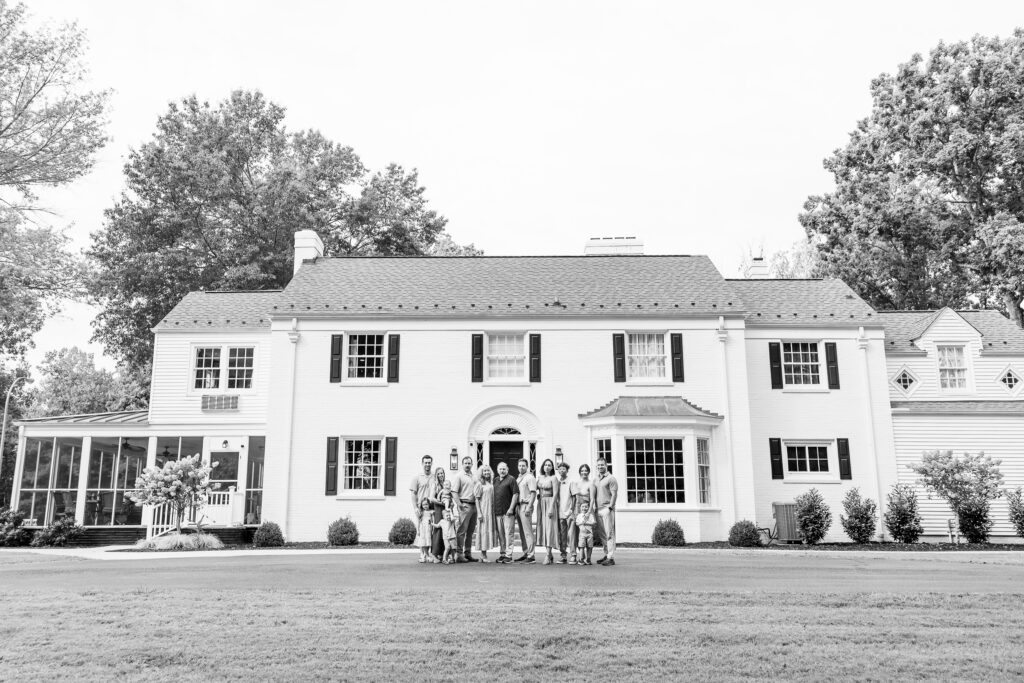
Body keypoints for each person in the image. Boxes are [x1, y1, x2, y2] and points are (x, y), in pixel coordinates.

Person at [450, 456, 479, 563]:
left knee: (470, 532)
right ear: (462, 464)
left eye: (469, 463)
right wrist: (459, 505)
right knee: (462, 531)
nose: (467, 465)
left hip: (474, 506)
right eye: (465, 463)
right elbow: (454, 492)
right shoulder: (459, 476)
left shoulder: (474, 476)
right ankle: (459, 554)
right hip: (465, 506)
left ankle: (468, 553)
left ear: (472, 464)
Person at [491, 461, 519, 564]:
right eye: (500, 469)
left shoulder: (511, 479)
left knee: (509, 534)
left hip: (508, 512)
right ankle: (503, 554)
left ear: (507, 470)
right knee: (501, 534)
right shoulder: (495, 480)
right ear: (497, 470)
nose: (502, 471)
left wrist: (511, 508)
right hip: (498, 512)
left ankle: (508, 555)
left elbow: (515, 494)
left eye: (504, 469)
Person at [535, 458, 560, 564]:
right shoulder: (539, 478)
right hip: (541, 503)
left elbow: (555, 494)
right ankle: (549, 554)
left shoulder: (554, 478)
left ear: (552, 467)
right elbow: (535, 489)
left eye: (549, 465)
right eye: (545, 465)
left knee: (550, 528)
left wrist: (551, 507)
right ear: (542, 466)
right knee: (544, 528)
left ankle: (548, 555)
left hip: (550, 503)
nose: (547, 467)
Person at [595, 456, 618, 566]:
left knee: (609, 534)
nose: (600, 467)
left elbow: (614, 494)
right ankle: (606, 554)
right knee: (603, 535)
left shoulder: (611, 478)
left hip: (607, 509)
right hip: (598, 509)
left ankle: (611, 557)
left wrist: (610, 508)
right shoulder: (597, 479)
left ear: (606, 465)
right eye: (598, 465)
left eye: (602, 465)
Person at [574, 463, 597, 565]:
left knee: (588, 535)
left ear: (588, 472)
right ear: (580, 472)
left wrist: (588, 512)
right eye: (582, 471)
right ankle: (580, 557)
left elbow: (592, 499)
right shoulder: (576, 484)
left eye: (586, 470)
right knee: (579, 535)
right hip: (578, 510)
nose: (584, 472)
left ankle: (588, 558)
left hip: (587, 509)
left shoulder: (591, 484)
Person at [515, 458, 537, 563]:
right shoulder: (519, 478)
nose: (521, 467)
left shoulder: (530, 477)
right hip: (518, 506)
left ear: (527, 466)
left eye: (523, 465)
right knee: (522, 532)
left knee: (528, 531)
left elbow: (533, 493)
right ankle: (525, 552)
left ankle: (531, 555)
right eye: (519, 465)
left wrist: (529, 507)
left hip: (525, 505)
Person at [474, 464, 496, 562]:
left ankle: (484, 555)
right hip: (483, 509)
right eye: (484, 471)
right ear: (481, 473)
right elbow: (477, 499)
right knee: (483, 531)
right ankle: (483, 555)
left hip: (491, 510)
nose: (486, 472)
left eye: (488, 471)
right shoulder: (479, 484)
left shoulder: (491, 482)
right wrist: (479, 513)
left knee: (487, 530)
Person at [555, 460, 576, 564]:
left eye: (564, 468)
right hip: (560, 513)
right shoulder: (557, 482)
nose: (562, 470)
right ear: (558, 470)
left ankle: (573, 555)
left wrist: (573, 511)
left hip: (569, 512)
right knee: (562, 536)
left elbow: (574, 497)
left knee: (571, 535)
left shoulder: (571, 481)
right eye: (560, 468)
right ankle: (563, 556)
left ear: (567, 470)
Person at [426, 467, 448, 562]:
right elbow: (431, 498)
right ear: (436, 475)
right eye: (438, 473)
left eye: (442, 473)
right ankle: (434, 554)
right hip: (439, 509)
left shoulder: (446, 484)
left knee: (446, 530)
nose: (440, 475)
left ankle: (442, 553)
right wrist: (441, 503)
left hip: (446, 509)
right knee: (438, 529)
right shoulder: (435, 485)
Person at [575, 500, 596, 565]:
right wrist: (581, 523)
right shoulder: (579, 516)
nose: (584, 508)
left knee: (590, 546)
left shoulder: (591, 515)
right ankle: (581, 559)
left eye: (586, 507)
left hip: (589, 534)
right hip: (582, 534)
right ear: (580, 508)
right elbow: (577, 523)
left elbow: (593, 523)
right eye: (582, 507)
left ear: (588, 508)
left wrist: (587, 522)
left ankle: (588, 559)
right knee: (581, 546)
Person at [414, 498, 435, 563]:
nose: (425, 506)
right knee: (423, 541)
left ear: (429, 504)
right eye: (423, 505)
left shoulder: (431, 512)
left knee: (428, 542)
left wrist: (433, 528)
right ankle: (425, 555)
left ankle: (426, 555)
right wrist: (418, 530)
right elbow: (419, 522)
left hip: (428, 529)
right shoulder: (421, 512)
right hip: (422, 528)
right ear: (421, 506)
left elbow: (433, 521)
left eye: (426, 504)